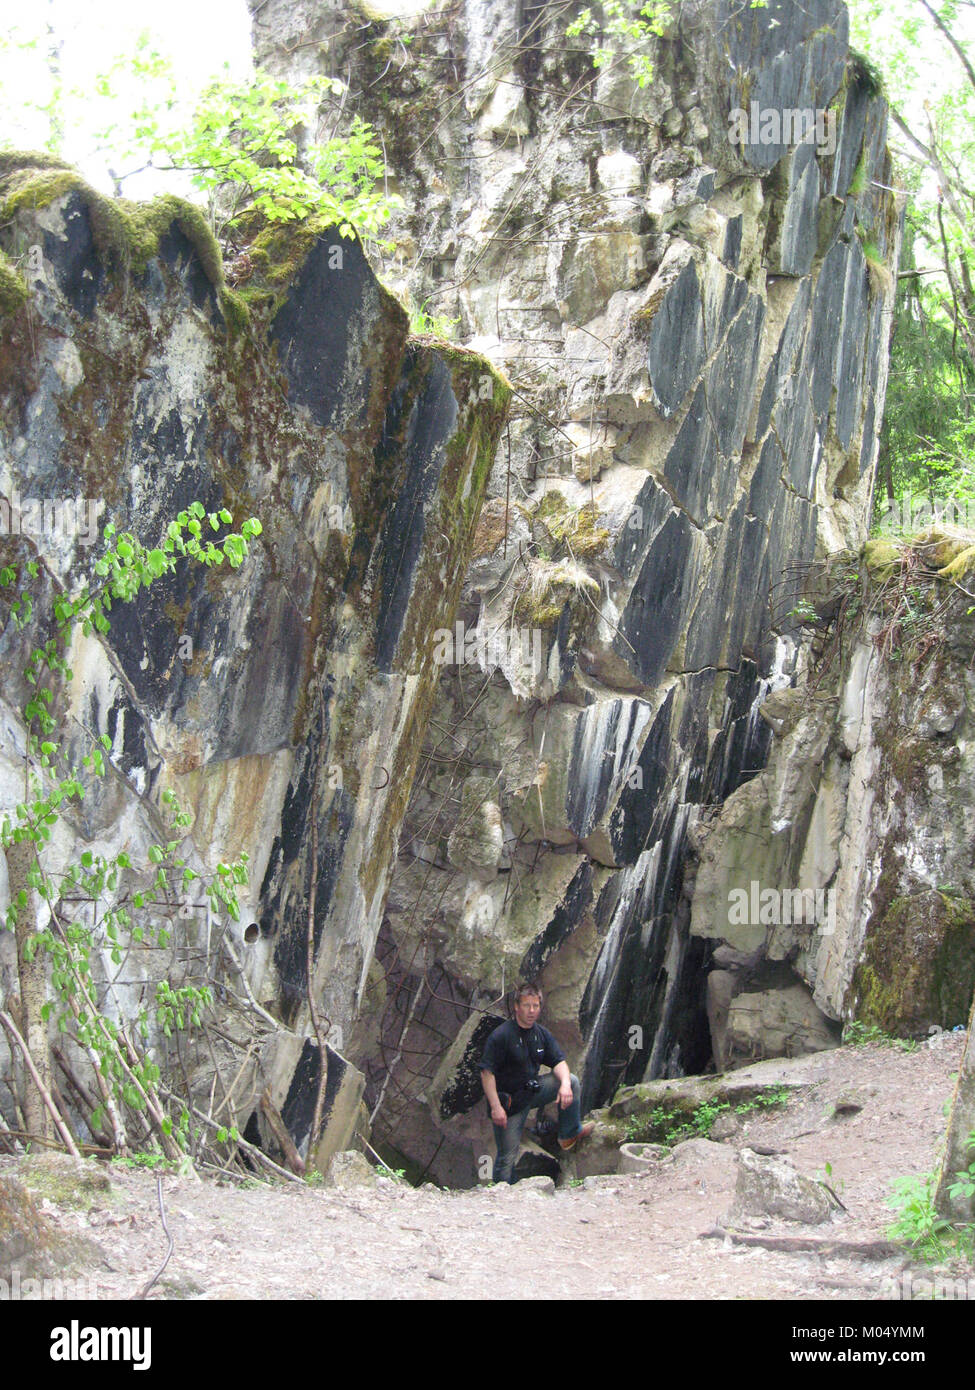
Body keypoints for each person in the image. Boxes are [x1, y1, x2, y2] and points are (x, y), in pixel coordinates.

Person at [479, 981, 594, 1185]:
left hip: (532, 1091)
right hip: (510, 1104)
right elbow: (487, 1073)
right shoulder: (502, 1036)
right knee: (507, 1157)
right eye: (526, 1006)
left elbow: (559, 1061)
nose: (531, 1011)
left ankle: (569, 1134)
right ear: (516, 1006)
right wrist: (496, 1107)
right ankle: (501, 1194)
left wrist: (565, 1084)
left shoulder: (541, 1034)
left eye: (535, 1006)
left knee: (572, 1081)